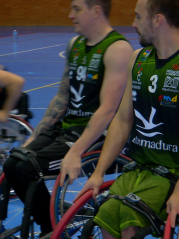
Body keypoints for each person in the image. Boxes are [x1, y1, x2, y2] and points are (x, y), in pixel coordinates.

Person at [2, 0, 134, 236]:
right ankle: (52, 219)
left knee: (26, 168)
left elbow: (107, 109)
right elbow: (62, 97)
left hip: (97, 136)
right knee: (12, 162)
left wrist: (76, 151)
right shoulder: (75, 44)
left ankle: (50, 228)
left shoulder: (117, 49)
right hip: (67, 129)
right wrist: (33, 138)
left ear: (95, 11)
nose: (70, 14)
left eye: (76, 8)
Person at [76, 0, 179, 238]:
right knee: (107, 215)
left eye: (138, 17)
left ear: (157, 20)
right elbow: (123, 121)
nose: (133, 24)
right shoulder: (138, 59)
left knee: (129, 223)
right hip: (138, 170)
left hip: (172, 173)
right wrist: (98, 172)